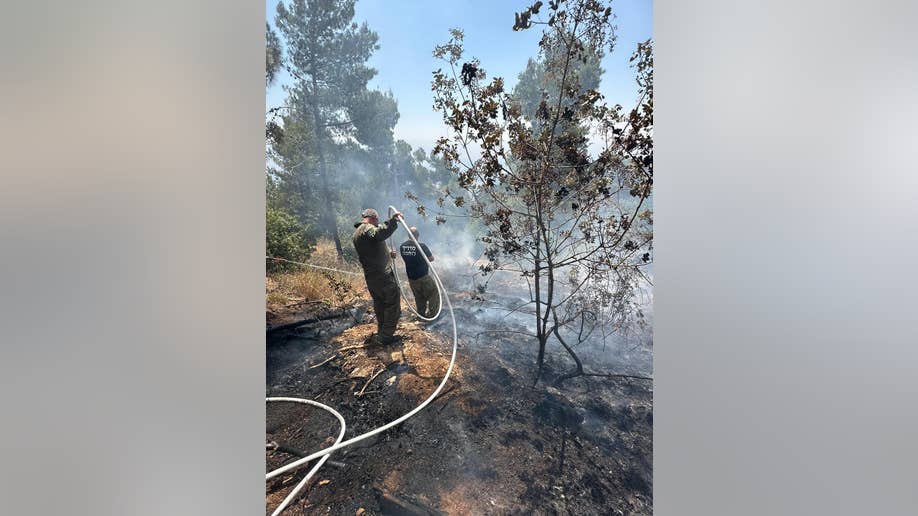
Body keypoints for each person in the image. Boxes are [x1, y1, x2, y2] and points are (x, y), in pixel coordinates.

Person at [352, 208, 404, 345]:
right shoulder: (367, 228)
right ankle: (386, 337)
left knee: (380, 305)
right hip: (382, 277)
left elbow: (372, 251)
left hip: (372, 277)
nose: (377, 223)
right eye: (377, 221)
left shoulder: (357, 233)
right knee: (393, 303)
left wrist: (388, 255)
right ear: (374, 218)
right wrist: (393, 221)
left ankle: (382, 333)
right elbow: (378, 234)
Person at [399, 226, 440, 319]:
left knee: (419, 297)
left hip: (411, 278)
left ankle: (421, 315)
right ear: (418, 235)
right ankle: (432, 315)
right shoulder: (421, 246)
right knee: (433, 293)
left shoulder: (402, 246)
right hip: (423, 277)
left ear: (409, 235)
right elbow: (431, 258)